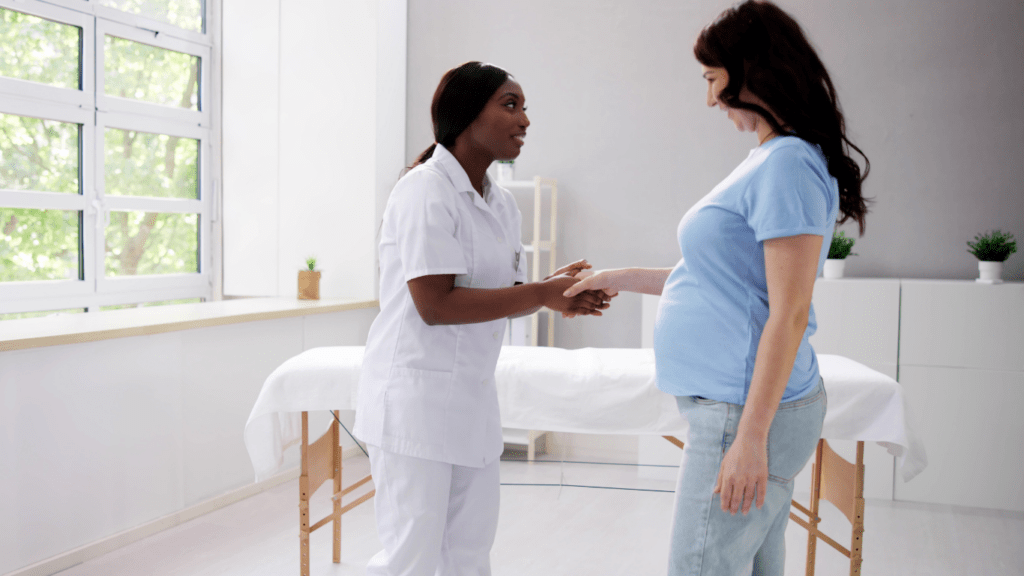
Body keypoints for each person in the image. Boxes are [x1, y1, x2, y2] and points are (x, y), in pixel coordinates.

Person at [564, 2, 870, 574]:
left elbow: (791, 311)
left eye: (712, 79)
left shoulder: (786, 166)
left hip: (744, 412)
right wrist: (618, 279)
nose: (709, 99)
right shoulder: (773, 159)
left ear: (749, 71)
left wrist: (750, 437)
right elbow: (719, 282)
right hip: (740, 407)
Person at [353, 61, 612, 576]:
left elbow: (490, 292)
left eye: (524, 107)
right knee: (412, 559)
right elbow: (435, 305)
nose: (525, 120)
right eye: (510, 105)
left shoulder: (500, 204)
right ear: (468, 116)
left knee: (469, 556)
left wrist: (552, 293)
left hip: (469, 406)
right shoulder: (425, 190)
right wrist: (539, 292)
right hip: (415, 407)